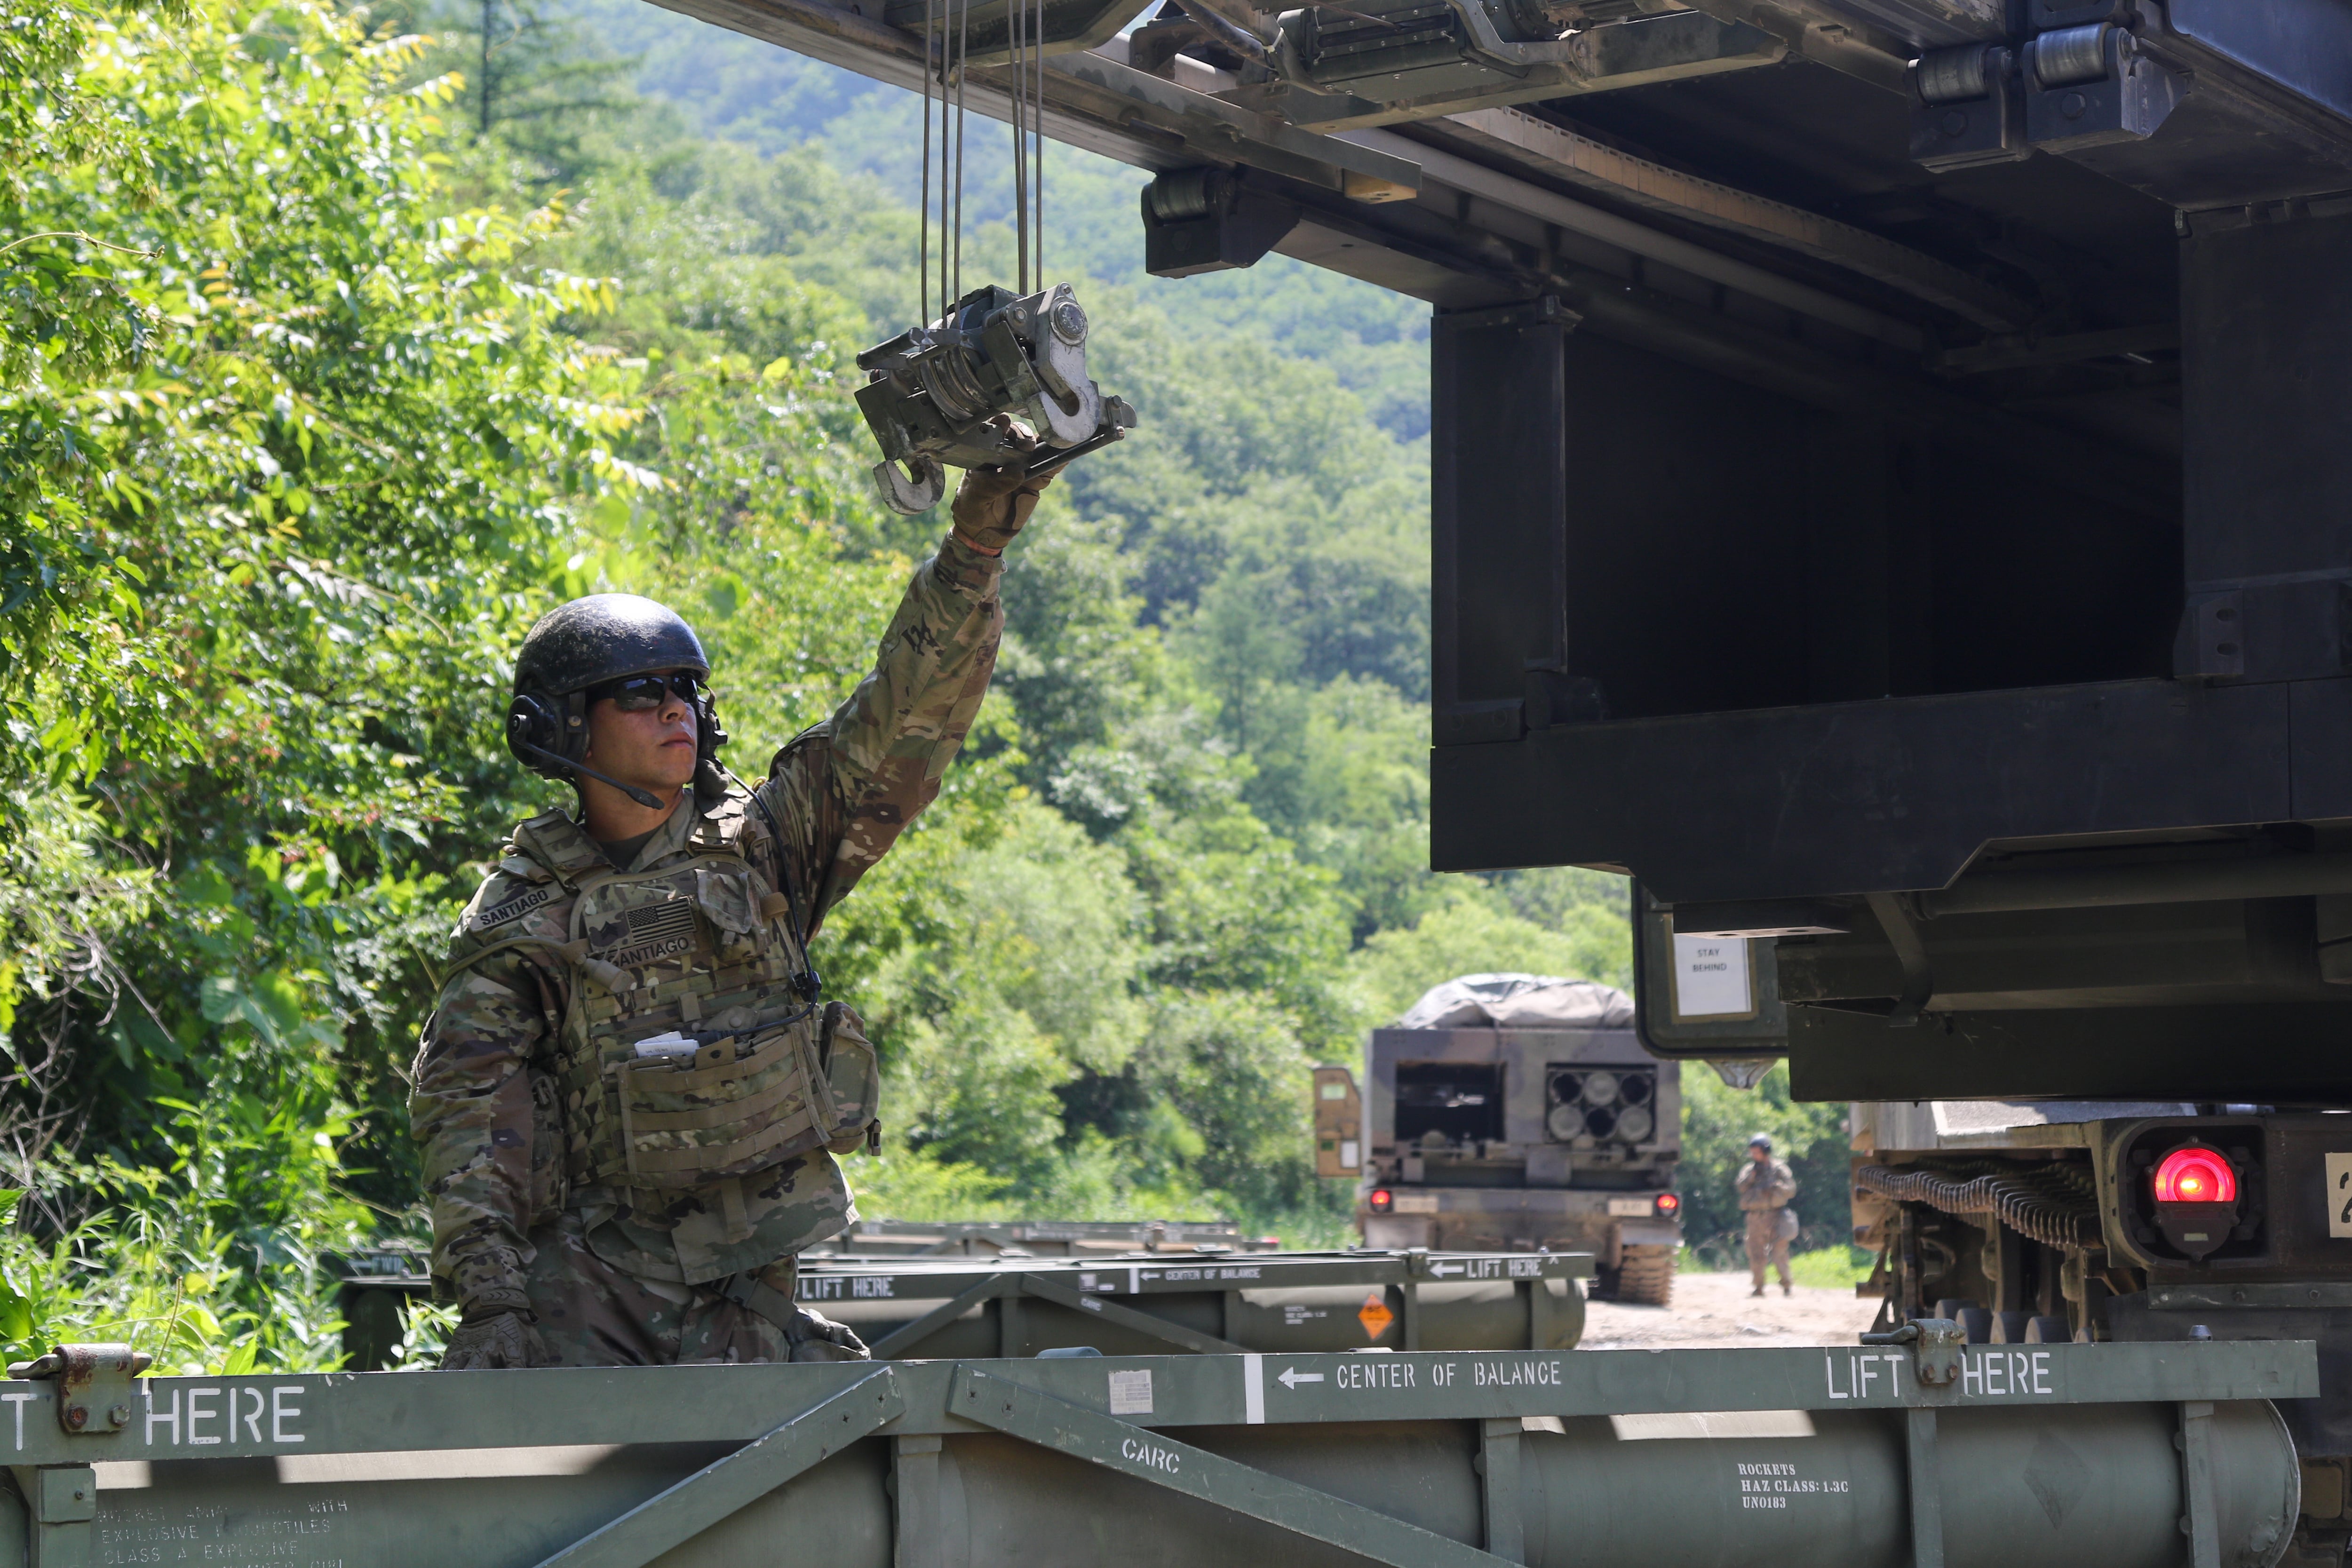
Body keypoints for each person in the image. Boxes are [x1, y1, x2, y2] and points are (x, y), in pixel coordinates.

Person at [410, 451, 1052, 1369]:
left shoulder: (764, 843)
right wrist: (493, 1306)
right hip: (588, 1317)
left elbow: (904, 717)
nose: (675, 709)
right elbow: (467, 1111)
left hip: (748, 1305)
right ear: (565, 726)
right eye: (640, 692)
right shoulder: (528, 910)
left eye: (684, 690)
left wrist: (976, 545)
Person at [1735, 1132, 1798, 1298]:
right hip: (1755, 1217)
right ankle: (1759, 1287)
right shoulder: (1749, 1170)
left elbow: (1791, 1190)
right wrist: (1751, 1178)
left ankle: (1786, 1285)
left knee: (1779, 1252)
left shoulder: (1779, 1169)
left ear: (1766, 1151)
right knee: (1756, 1253)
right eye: (1752, 1152)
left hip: (1776, 1216)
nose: (1754, 1155)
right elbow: (1740, 1187)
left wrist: (1776, 1186)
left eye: (1757, 1152)